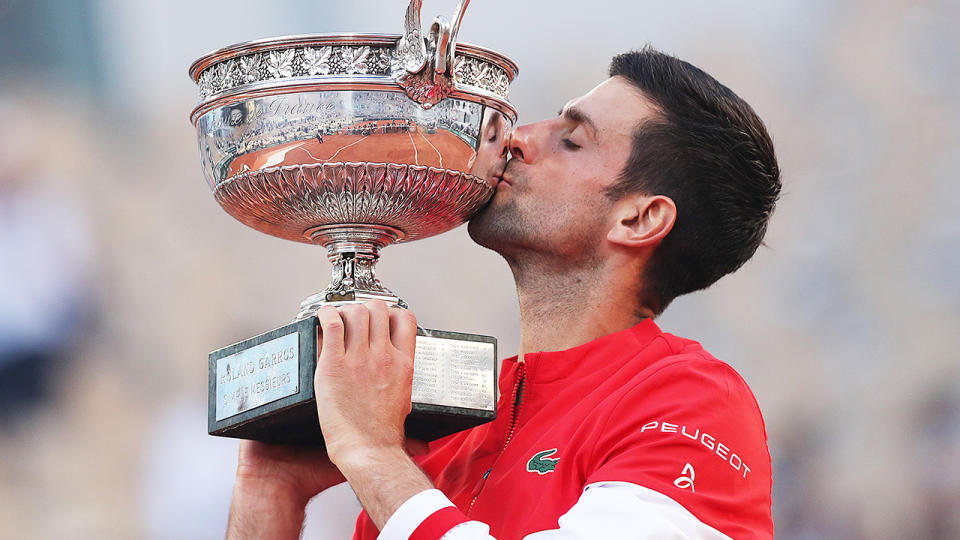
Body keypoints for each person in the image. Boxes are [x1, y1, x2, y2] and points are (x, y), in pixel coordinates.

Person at [225, 46, 781, 539]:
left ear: (638, 219)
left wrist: (370, 454)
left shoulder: (693, 402)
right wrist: (269, 489)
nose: (516, 137)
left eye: (571, 140)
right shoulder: (437, 429)